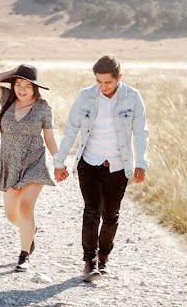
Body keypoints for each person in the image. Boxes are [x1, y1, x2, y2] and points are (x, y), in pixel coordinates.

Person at [53, 56, 149, 282]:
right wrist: (60, 162)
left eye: (108, 82)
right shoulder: (85, 97)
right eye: (99, 82)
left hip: (118, 165)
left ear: (119, 78)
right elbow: (71, 131)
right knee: (91, 210)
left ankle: (103, 258)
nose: (103, 87)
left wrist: (141, 163)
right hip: (89, 162)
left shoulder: (133, 98)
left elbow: (141, 133)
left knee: (111, 216)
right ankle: (90, 262)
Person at [0, 64, 59, 272]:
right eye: (18, 84)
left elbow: (50, 139)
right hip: (10, 164)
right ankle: (30, 231)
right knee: (11, 214)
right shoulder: (7, 99)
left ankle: (24, 255)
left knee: (26, 208)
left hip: (34, 163)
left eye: (27, 84)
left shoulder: (43, 108)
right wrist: (13, 72)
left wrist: (59, 161)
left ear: (35, 87)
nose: (22, 89)